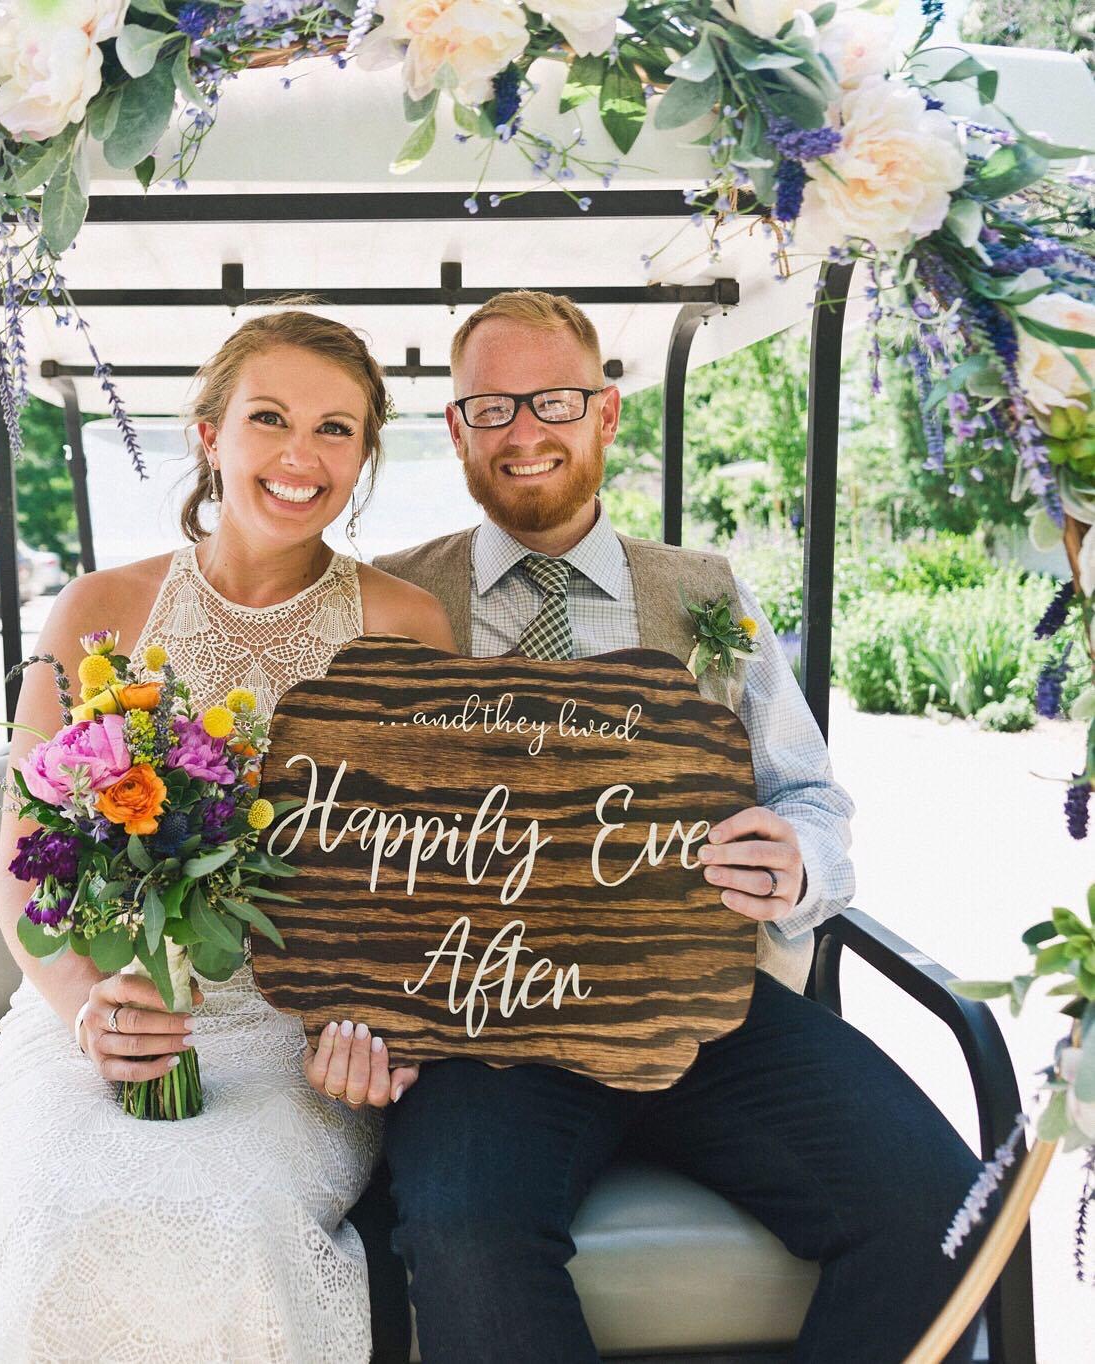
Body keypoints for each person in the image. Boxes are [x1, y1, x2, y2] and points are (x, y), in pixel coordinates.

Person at [368, 291, 993, 1363]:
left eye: (554, 400)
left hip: (704, 1004)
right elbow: (338, 830)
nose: (523, 431)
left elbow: (809, 797)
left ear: (606, 413)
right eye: (490, 407)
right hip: (486, 1027)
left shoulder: (707, 589)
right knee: (467, 1232)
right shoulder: (388, 596)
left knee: (944, 1209)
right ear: (457, 428)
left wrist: (797, 861)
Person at [0, 310, 452, 1363]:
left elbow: (430, 878)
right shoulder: (99, 608)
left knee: (236, 1225)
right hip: (101, 1004)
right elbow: (23, 863)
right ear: (210, 433)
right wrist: (88, 1008)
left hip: (291, 1033)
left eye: (336, 429)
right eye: (269, 418)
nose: (301, 456)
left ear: (363, 455)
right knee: (60, 1218)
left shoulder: (408, 626)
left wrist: (375, 1015)